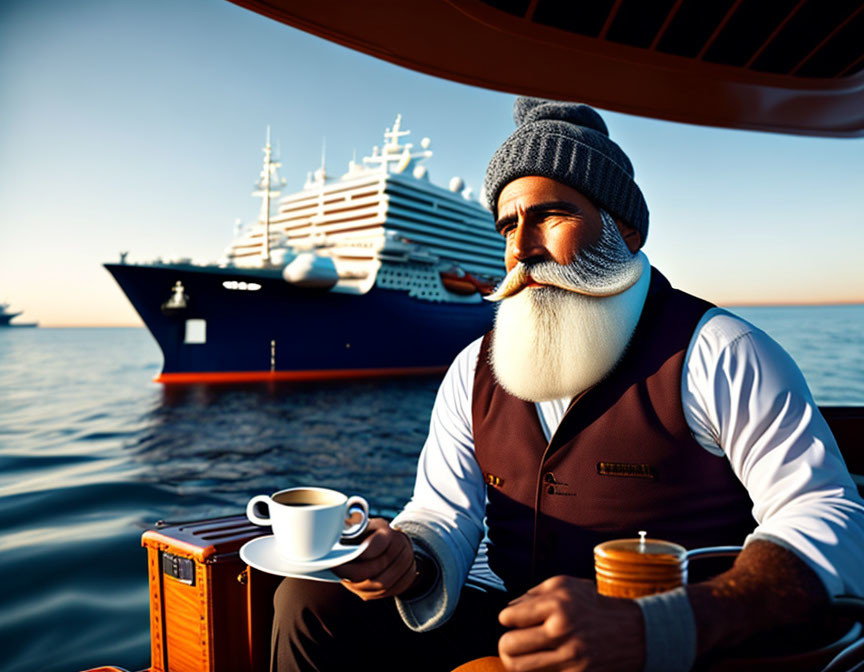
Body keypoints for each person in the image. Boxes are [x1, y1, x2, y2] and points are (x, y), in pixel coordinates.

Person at [270, 98, 864, 671]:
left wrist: (662, 625)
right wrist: (409, 559)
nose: (521, 249)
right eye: (507, 225)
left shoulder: (717, 350)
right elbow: (442, 514)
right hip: (518, 618)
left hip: (674, 638)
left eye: (550, 215)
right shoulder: (473, 370)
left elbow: (828, 515)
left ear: (625, 231)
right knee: (309, 603)